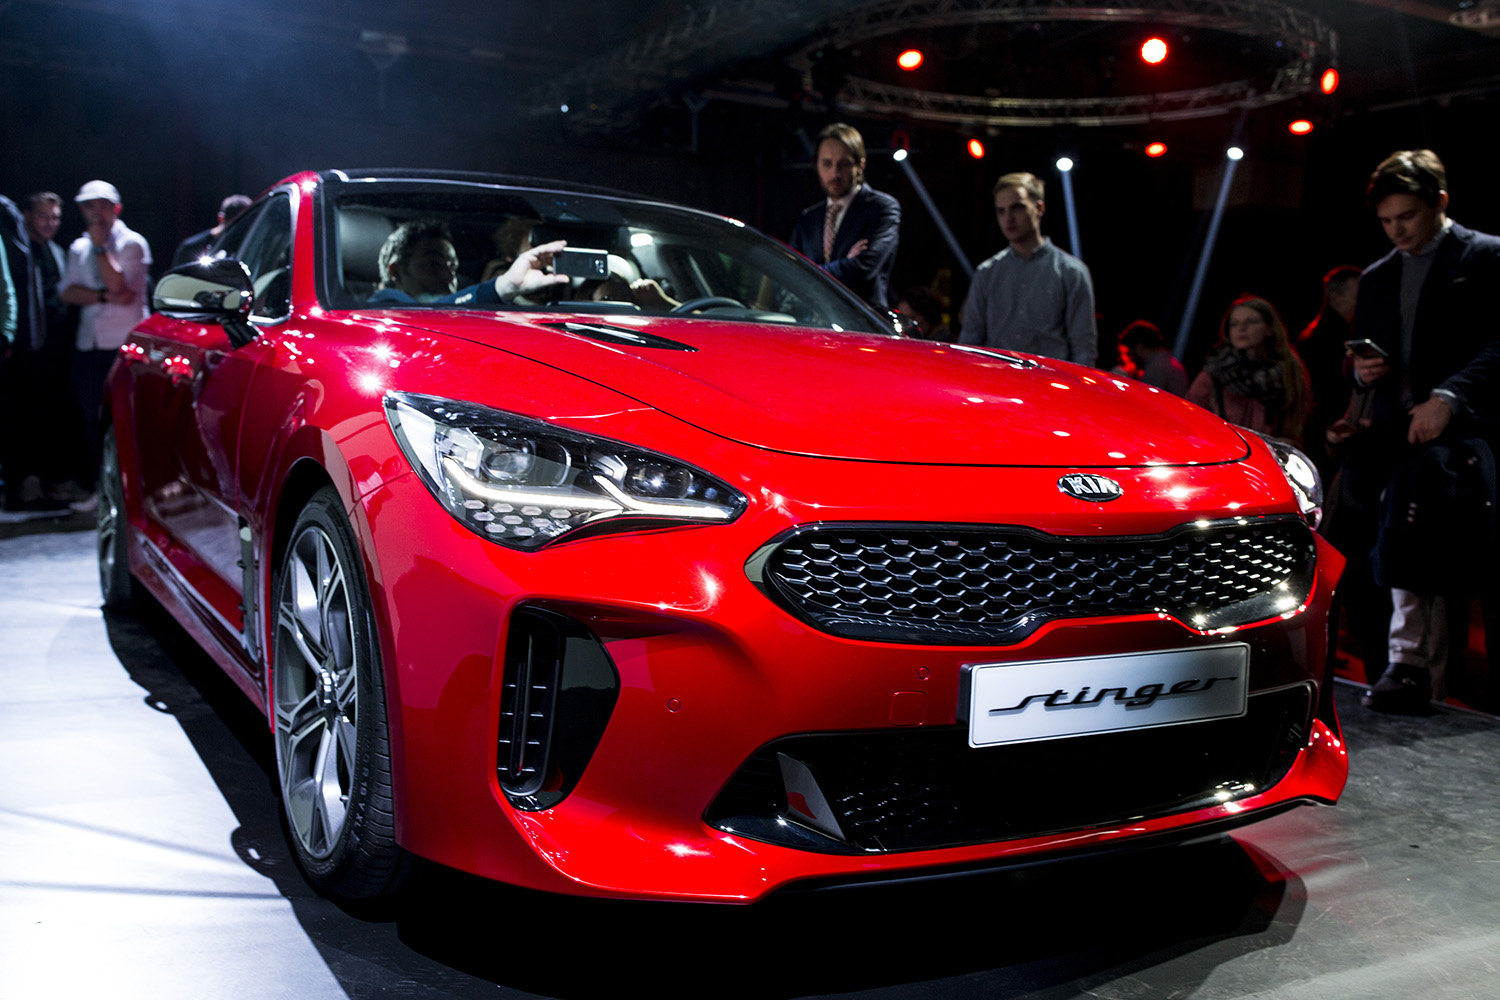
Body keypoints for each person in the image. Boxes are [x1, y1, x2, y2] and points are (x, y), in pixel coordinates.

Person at [1342, 150, 1500, 713]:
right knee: (1368, 543)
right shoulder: (1378, 276)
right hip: (1395, 436)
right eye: (1386, 220)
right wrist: (1361, 371)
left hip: (1469, 431)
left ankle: (1411, 667)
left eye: (1407, 216)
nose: (1397, 230)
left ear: (1441, 202)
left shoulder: (1486, 255)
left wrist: (1450, 398)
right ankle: (1400, 666)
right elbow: (1357, 359)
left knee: (1434, 542)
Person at [58, 180, 152, 503]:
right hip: (89, 345)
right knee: (92, 420)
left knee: (126, 420)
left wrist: (100, 248)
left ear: (116, 208)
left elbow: (121, 290)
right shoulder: (78, 247)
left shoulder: (132, 243)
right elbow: (67, 292)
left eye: (102, 205)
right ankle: (104, 492)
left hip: (123, 346)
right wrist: (103, 296)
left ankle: (132, 494)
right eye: (89, 206)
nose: (95, 212)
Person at [958, 171, 1097, 366]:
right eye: (1001, 211)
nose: (1008, 218)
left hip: (1050, 380)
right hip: (997, 379)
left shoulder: (1071, 272)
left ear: (1039, 208)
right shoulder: (987, 272)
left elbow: (1083, 348)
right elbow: (970, 342)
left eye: (1017, 207)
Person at [789, 122, 901, 309]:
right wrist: (845, 263)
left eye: (844, 164)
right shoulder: (809, 218)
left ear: (860, 165)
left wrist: (809, 274)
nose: (835, 173)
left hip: (862, 319)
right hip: (813, 318)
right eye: (827, 163)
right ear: (816, 165)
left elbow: (863, 269)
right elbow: (790, 274)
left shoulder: (881, 208)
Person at [1188, 295, 1311, 445]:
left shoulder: (1288, 371)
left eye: (1251, 322)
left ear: (1270, 328)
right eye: (1234, 324)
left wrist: (1282, 444)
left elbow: (1296, 427)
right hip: (1220, 449)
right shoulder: (1216, 370)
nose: (1241, 328)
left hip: (1265, 453)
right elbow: (1189, 416)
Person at [370, 219, 568, 306]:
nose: (448, 276)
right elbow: (428, 312)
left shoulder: (463, 314)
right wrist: (503, 286)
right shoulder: (383, 305)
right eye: (434, 264)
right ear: (396, 271)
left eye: (453, 266)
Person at [1296, 265, 1361, 480]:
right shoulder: (1324, 340)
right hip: (1322, 438)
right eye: (1357, 295)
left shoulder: (1334, 335)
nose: (1362, 301)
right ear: (1335, 296)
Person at [171, 194, 252, 267]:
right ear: (221, 218)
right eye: (233, 226)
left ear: (220, 217)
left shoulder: (249, 245)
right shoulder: (191, 248)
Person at [1116, 320, 1188, 395]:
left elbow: (1143, 397)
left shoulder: (1156, 368)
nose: (1127, 359)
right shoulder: (1169, 362)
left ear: (1139, 347)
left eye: (1129, 353)